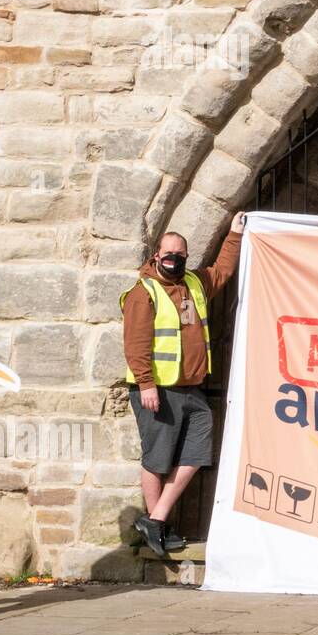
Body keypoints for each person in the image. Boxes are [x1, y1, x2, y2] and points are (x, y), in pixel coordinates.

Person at [120, 212, 246, 556]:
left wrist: (234, 234)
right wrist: (146, 384)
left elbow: (222, 270)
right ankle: (156, 529)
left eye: (181, 256)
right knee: (157, 459)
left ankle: (156, 518)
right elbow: (135, 344)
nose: (175, 261)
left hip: (191, 388)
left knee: (197, 452)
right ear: (156, 256)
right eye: (169, 255)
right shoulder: (143, 293)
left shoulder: (193, 282)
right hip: (157, 390)